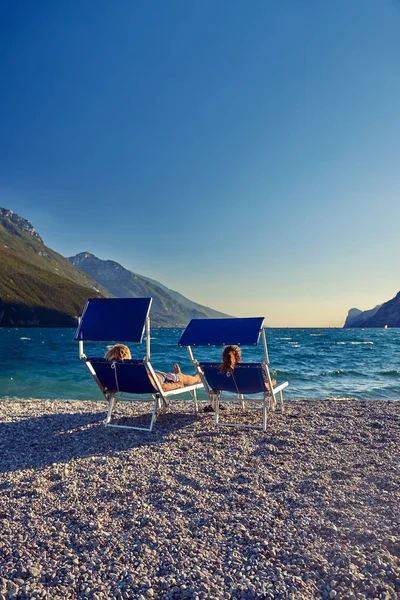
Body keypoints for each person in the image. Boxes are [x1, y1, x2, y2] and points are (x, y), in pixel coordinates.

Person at [104, 344, 201, 392]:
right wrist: (178, 385)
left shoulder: (110, 375)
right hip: (159, 377)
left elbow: (103, 385)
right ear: (128, 358)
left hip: (153, 375)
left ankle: (178, 375)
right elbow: (161, 387)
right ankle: (198, 375)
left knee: (174, 376)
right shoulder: (137, 375)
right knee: (185, 378)